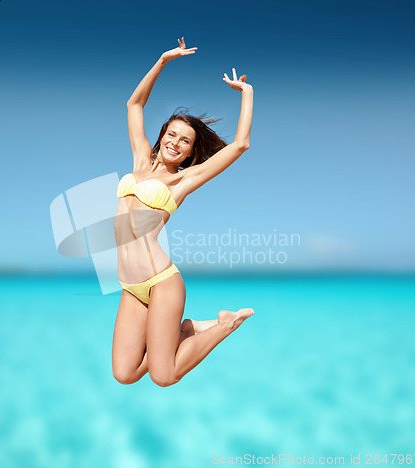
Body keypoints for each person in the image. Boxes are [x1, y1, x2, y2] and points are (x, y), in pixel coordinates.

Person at [112, 37, 254, 387]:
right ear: (162, 136)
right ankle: (182, 328)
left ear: (191, 152)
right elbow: (134, 104)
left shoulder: (183, 181)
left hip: (162, 281)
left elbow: (240, 144)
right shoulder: (140, 160)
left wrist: (246, 93)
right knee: (125, 373)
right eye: (172, 134)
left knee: (164, 375)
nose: (176, 142)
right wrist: (162, 60)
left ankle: (225, 324)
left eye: (185, 141)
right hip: (131, 284)